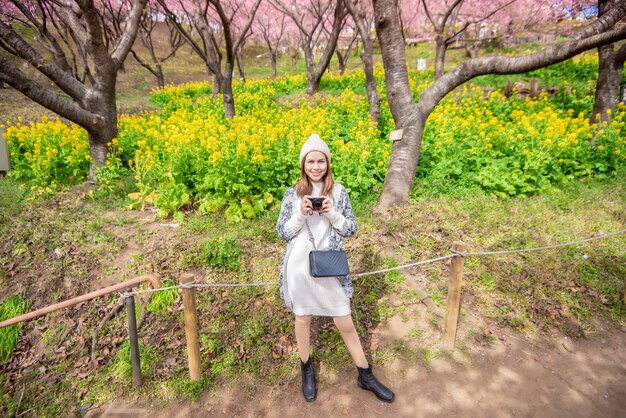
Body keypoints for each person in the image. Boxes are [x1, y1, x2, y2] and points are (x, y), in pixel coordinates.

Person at [276, 133, 395, 403]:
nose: (316, 167)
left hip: (329, 265)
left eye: (321, 161)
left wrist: (331, 213)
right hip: (299, 268)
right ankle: (306, 368)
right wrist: (301, 214)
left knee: (344, 320)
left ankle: (365, 374)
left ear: (328, 164)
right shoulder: (291, 194)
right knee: (303, 319)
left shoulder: (338, 192)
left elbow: (350, 229)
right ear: (303, 165)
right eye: (310, 161)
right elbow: (282, 233)